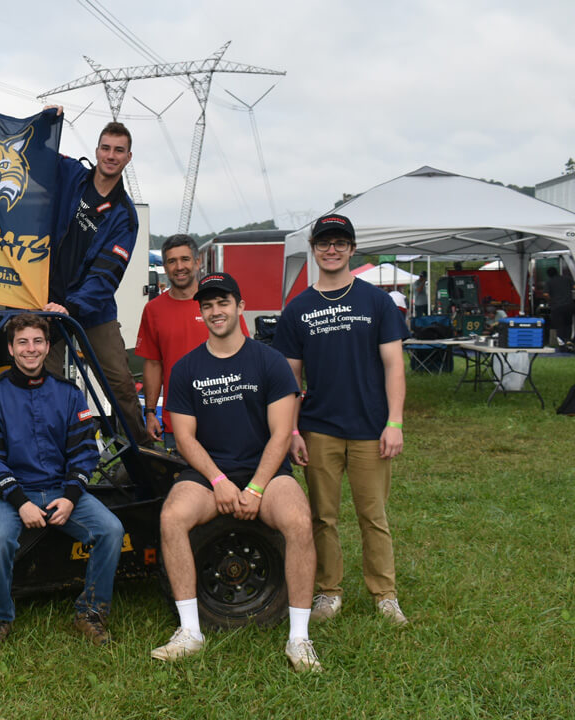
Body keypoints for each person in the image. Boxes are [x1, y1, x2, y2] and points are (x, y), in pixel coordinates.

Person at [151, 272, 320, 672]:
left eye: (223, 303)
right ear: (202, 313)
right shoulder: (187, 368)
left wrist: (258, 487)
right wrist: (220, 481)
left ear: (240, 307)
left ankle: (299, 638)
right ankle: (190, 632)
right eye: (207, 305)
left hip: (266, 472)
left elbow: (281, 433)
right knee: (172, 517)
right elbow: (185, 438)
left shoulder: (269, 361)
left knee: (298, 521)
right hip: (212, 474)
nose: (215, 311)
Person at [273, 214, 410, 626]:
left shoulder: (377, 302)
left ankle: (385, 595)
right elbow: (289, 378)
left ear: (351, 249)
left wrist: (395, 423)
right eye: (324, 243)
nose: (331, 250)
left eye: (340, 242)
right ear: (314, 248)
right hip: (319, 429)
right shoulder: (297, 309)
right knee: (321, 517)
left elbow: (394, 366)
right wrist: (293, 430)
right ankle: (328, 592)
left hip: (371, 428)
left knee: (374, 515)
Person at [0, 313, 124, 648]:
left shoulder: (69, 394)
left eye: (38, 341)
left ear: (46, 346)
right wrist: (20, 503)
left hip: (59, 488)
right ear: (10, 349)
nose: (31, 349)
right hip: (7, 494)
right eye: (23, 342)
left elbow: (85, 454)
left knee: (111, 530)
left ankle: (91, 613)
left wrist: (70, 496)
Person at [42, 121, 150, 447]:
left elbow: (106, 276)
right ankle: (54, 452)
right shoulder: (73, 175)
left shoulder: (125, 216)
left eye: (119, 150)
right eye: (106, 148)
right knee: (42, 381)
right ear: (97, 150)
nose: (111, 155)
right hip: (48, 301)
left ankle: (142, 455)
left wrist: (72, 307)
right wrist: (49, 121)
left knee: (120, 383)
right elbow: (38, 152)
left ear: (128, 157)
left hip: (92, 310)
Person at [135, 234, 249, 449]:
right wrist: (150, 412)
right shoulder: (153, 310)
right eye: (171, 261)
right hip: (177, 422)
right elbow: (152, 363)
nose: (179, 267)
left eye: (185, 259)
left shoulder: (219, 306)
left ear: (197, 262)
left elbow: (243, 355)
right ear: (165, 267)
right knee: (184, 481)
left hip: (226, 418)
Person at [545, 266, 574, 347]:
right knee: (568, 324)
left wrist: (550, 300)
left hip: (556, 306)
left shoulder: (549, 282)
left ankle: (562, 343)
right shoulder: (567, 279)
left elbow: (546, 294)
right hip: (569, 305)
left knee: (559, 325)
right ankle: (568, 340)